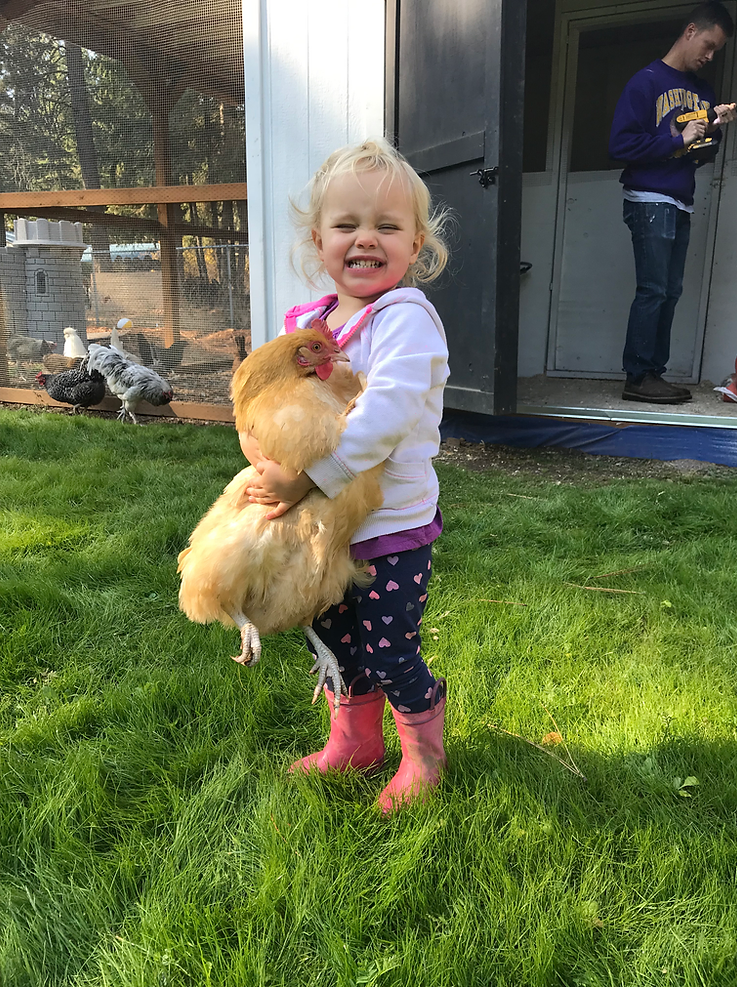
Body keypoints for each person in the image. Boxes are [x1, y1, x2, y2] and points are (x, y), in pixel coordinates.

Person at [241, 139, 451, 813]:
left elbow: (384, 414)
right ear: (318, 238)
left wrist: (308, 477)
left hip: (392, 525)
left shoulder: (405, 320)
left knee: (389, 649)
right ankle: (355, 742)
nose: (366, 238)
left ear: (415, 244)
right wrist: (266, 462)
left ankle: (425, 754)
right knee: (333, 635)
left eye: (387, 226)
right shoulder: (307, 325)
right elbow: (281, 409)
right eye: (347, 224)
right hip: (328, 527)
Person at [609, 1, 737, 404]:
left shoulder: (703, 90)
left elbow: (702, 151)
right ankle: (639, 375)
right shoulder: (646, 81)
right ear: (691, 31)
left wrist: (714, 129)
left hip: (681, 200)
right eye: (709, 45)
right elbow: (620, 144)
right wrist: (676, 140)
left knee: (670, 290)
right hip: (649, 197)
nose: (710, 55)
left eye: (716, 50)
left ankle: (652, 374)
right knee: (654, 289)